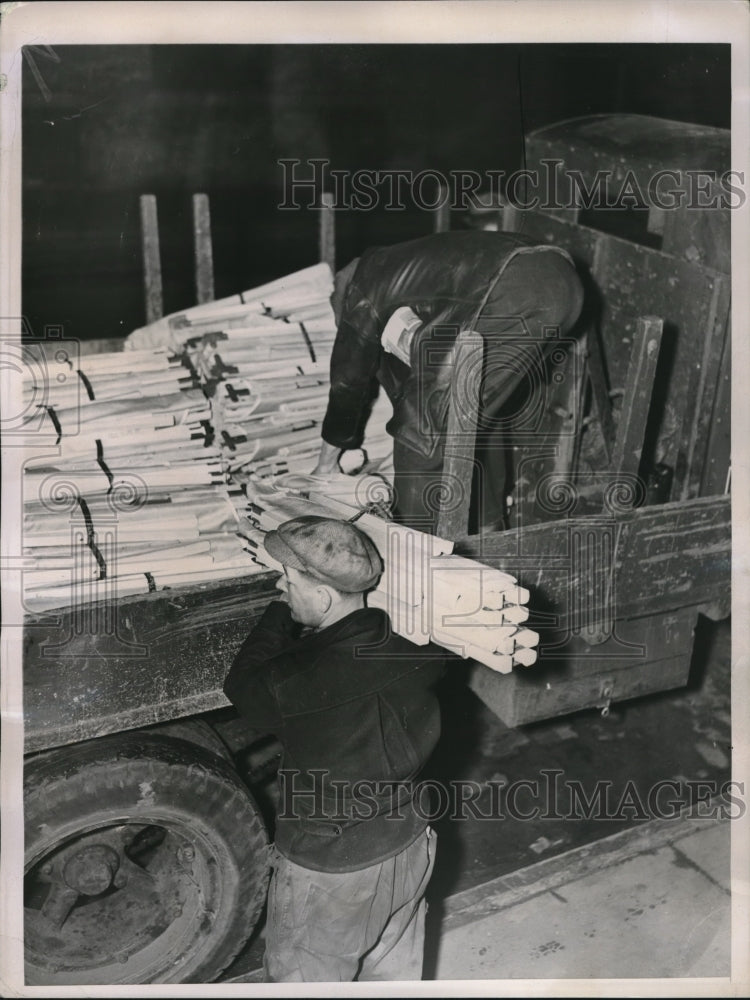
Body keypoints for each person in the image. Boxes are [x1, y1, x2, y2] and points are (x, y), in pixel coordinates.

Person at [223, 515, 446, 982]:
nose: (284, 588)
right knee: (394, 978)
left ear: (323, 597)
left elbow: (241, 686)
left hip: (333, 871)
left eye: (288, 582)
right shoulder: (415, 647)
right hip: (411, 843)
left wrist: (278, 612)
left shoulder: (297, 678)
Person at [312, 229, 585, 532]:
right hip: (561, 278)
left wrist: (325, 466)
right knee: (472, 412)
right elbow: (420, 365)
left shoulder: (360, 290)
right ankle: (488, 531)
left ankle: (417, 554)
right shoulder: (403, 264)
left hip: (512, 289)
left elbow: (348, 383)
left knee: (419, 431)